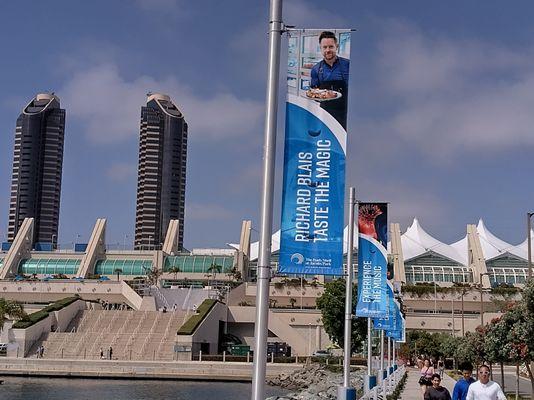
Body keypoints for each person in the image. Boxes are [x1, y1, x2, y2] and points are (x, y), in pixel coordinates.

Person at [310, 31, 350, 129]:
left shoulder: (348, 64)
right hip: (325, 112)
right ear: (321, 49)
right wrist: (319, 95)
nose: (328, 50)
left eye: (331, 47)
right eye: (325, 47)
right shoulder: (316, 69)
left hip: (345, 111)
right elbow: (313, 92)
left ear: (337, 46)